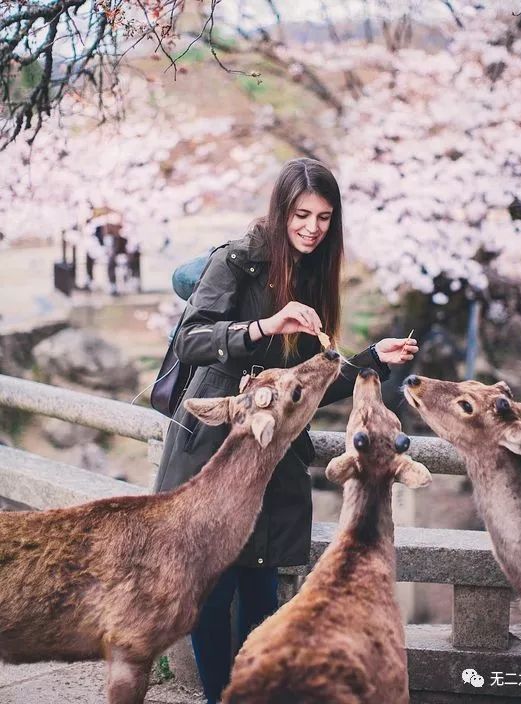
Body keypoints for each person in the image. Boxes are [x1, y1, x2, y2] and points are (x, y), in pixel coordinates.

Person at [154, 157, 418, 704]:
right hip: (219, 448)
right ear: (281, 211)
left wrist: (374, 359)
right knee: (213, 587)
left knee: (260, 588)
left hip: (276, 457)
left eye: (324, 218)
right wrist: (263, 327)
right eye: (301, 215)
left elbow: (313, 381)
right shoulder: (236, 261)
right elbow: (191, 339)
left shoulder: (315, 273)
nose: (312, 228)